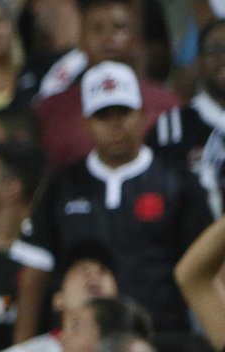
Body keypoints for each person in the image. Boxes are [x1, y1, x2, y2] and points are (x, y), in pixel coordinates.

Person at [23, 62, 209, 334]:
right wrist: (22, 347)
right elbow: (34, 272)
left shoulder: (179, 183)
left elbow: (205, 270)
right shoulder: (61, 185)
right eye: (103, 115)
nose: (115, 124)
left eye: (123, 112)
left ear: (144, 115)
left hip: (162, 338)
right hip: (78, 340)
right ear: (86, 123)